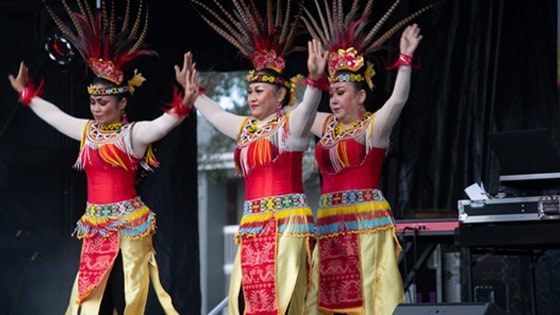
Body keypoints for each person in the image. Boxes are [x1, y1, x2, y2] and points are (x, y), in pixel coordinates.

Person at [7, 1, 183, 314]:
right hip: (96, 226)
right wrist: (28, 96)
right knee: (91, 297)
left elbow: (161, 126)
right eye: (93, 102)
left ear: (122, 103)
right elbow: (56, 116)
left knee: (126, 294)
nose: (96, 108)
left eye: (103, 102)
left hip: (129, 225)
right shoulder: (87, 131)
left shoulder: (133, 135)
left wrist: (182, 107)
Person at [179, 1, 328, 314]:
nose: (251, 97)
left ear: (281, 95)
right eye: (250, 91)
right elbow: (217, 113)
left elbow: (309, 107)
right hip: (253, 226)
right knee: (250, 303)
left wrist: (314, 82)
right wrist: (195, 93)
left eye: (260, 91)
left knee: (287, 300)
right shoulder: (245, 127)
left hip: (288, 225)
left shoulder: (292, 125)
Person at [302, 1, 430, 314]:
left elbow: (398, 99)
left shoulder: (374, 128)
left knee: (372, 299)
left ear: (360, 96)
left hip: (366, 225)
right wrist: (313, 79)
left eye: (341, 92)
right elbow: (297, 115)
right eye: (331, 93)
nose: (333, 99)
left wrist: (405, 58)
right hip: (329, 224)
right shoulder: (325, 125)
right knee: (326, 301)